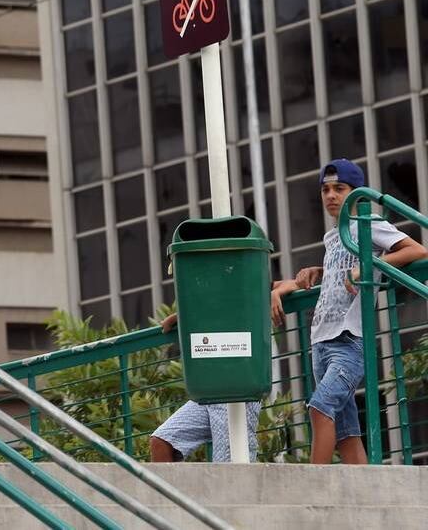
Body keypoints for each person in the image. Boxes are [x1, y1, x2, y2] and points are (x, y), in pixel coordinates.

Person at [271, 158, 427, 464]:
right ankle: (368, 494)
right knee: (346, 434)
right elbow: (335, 276)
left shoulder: (369, 225)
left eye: (339, 188)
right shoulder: (332, 236)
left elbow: (418, 251)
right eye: (325, 189)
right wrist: (301, 277)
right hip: (321, 341)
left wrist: (370, 266)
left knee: (319, 408)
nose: (330, 195)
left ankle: (315, 485)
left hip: (349, 341)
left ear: (356, 192)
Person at [149, 312, 262, 462]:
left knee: (228, 465)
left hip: (237, 386)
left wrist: (276, 293)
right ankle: (165, 487)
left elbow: (298, 286)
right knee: (162, 441)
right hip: (208, 388)